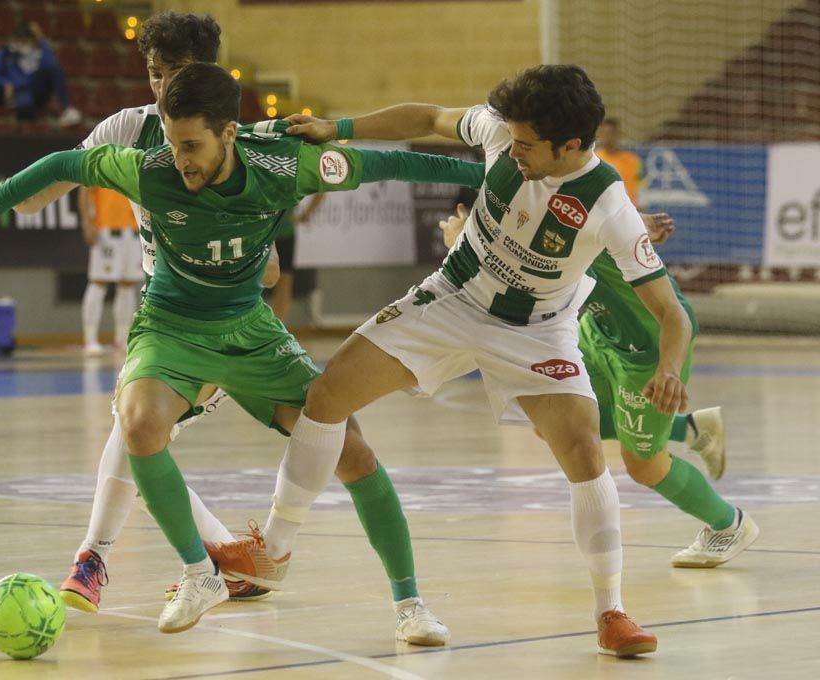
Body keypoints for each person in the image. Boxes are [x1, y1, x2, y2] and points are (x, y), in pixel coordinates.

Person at [0, 63, 483, 640]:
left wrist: (491, 176)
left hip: (250, 329)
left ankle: (410, 605)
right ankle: (201, 573)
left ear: (228, 133)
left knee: (353, 452)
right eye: (172, 143)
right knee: (139, 425)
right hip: (171, 327)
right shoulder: (150, 170)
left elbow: (391, 163)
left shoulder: (287, 165)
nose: (181, 159)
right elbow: (63, 164)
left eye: (191, 145)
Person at [260, 64, 692, 657]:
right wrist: (339, 126)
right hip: (452, 298)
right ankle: (272, 549)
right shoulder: (503, 136)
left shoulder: (610, 207)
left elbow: (673, 313)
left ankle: (611, 612)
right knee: (327, 396)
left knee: (585, 449)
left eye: (527, 145)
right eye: (510, 138)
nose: (512, 150)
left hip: (537, 332)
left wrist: (669, 370)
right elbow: (428, 116)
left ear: (571, 145)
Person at [12, 13, 278, 615]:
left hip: (222, 318)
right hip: (164, 315)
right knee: (141, 437)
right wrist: (17, 200)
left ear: (207, 74)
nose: (161, 89)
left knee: (136, 432)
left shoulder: (235, 141)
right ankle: (232, 559)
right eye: (154, 73)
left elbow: (271, 271)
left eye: (175, 74)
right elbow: (50, 182)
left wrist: (212, 247)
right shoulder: (128, 127)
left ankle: (93, 557)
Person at [438, 205, 757, 568]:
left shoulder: (567, 189)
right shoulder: (536, 190)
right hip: (598, 328)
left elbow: (590, 207)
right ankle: (694, 430)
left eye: (527, 145)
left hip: (648, 347)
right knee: (557, 421)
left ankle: (728, 524)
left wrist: (464, 244)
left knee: (644, 467)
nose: (520, 153)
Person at [78, 186, 144, 354]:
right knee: (99, 281)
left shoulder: (138, 159)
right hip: (106, 228)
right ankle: (90, 338)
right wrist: (87, 222)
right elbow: (85, 190)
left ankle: (122, 339)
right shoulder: (101, 159)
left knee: (128, 284)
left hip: (134, 228)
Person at [0, 21, 81, 127]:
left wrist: (41, 39)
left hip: (35, 90)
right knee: (24, 107)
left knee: (55, 69)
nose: (22, 44)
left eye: (25, 40)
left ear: (32, 41)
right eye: (19, 40)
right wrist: (5, 83)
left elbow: (52, 66)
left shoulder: (39, 53)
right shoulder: (5, 53)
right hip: (16, 91)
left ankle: (66, 109)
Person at [269, 193, 323, 324]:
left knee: (284, 281)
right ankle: (276, 327)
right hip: (265, 232)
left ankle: (278, 327)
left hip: (281, 232)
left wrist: (306, 214)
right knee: (282, 281)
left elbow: (321, 189)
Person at [595, 118, 642, 208]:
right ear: (600, 135)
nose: (608, 138)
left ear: (618, 135)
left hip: (628, 210)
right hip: (603, 211)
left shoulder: (632, 160)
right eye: (605, 134)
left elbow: (639, 187)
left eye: (612, 134)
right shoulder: (594, 159)